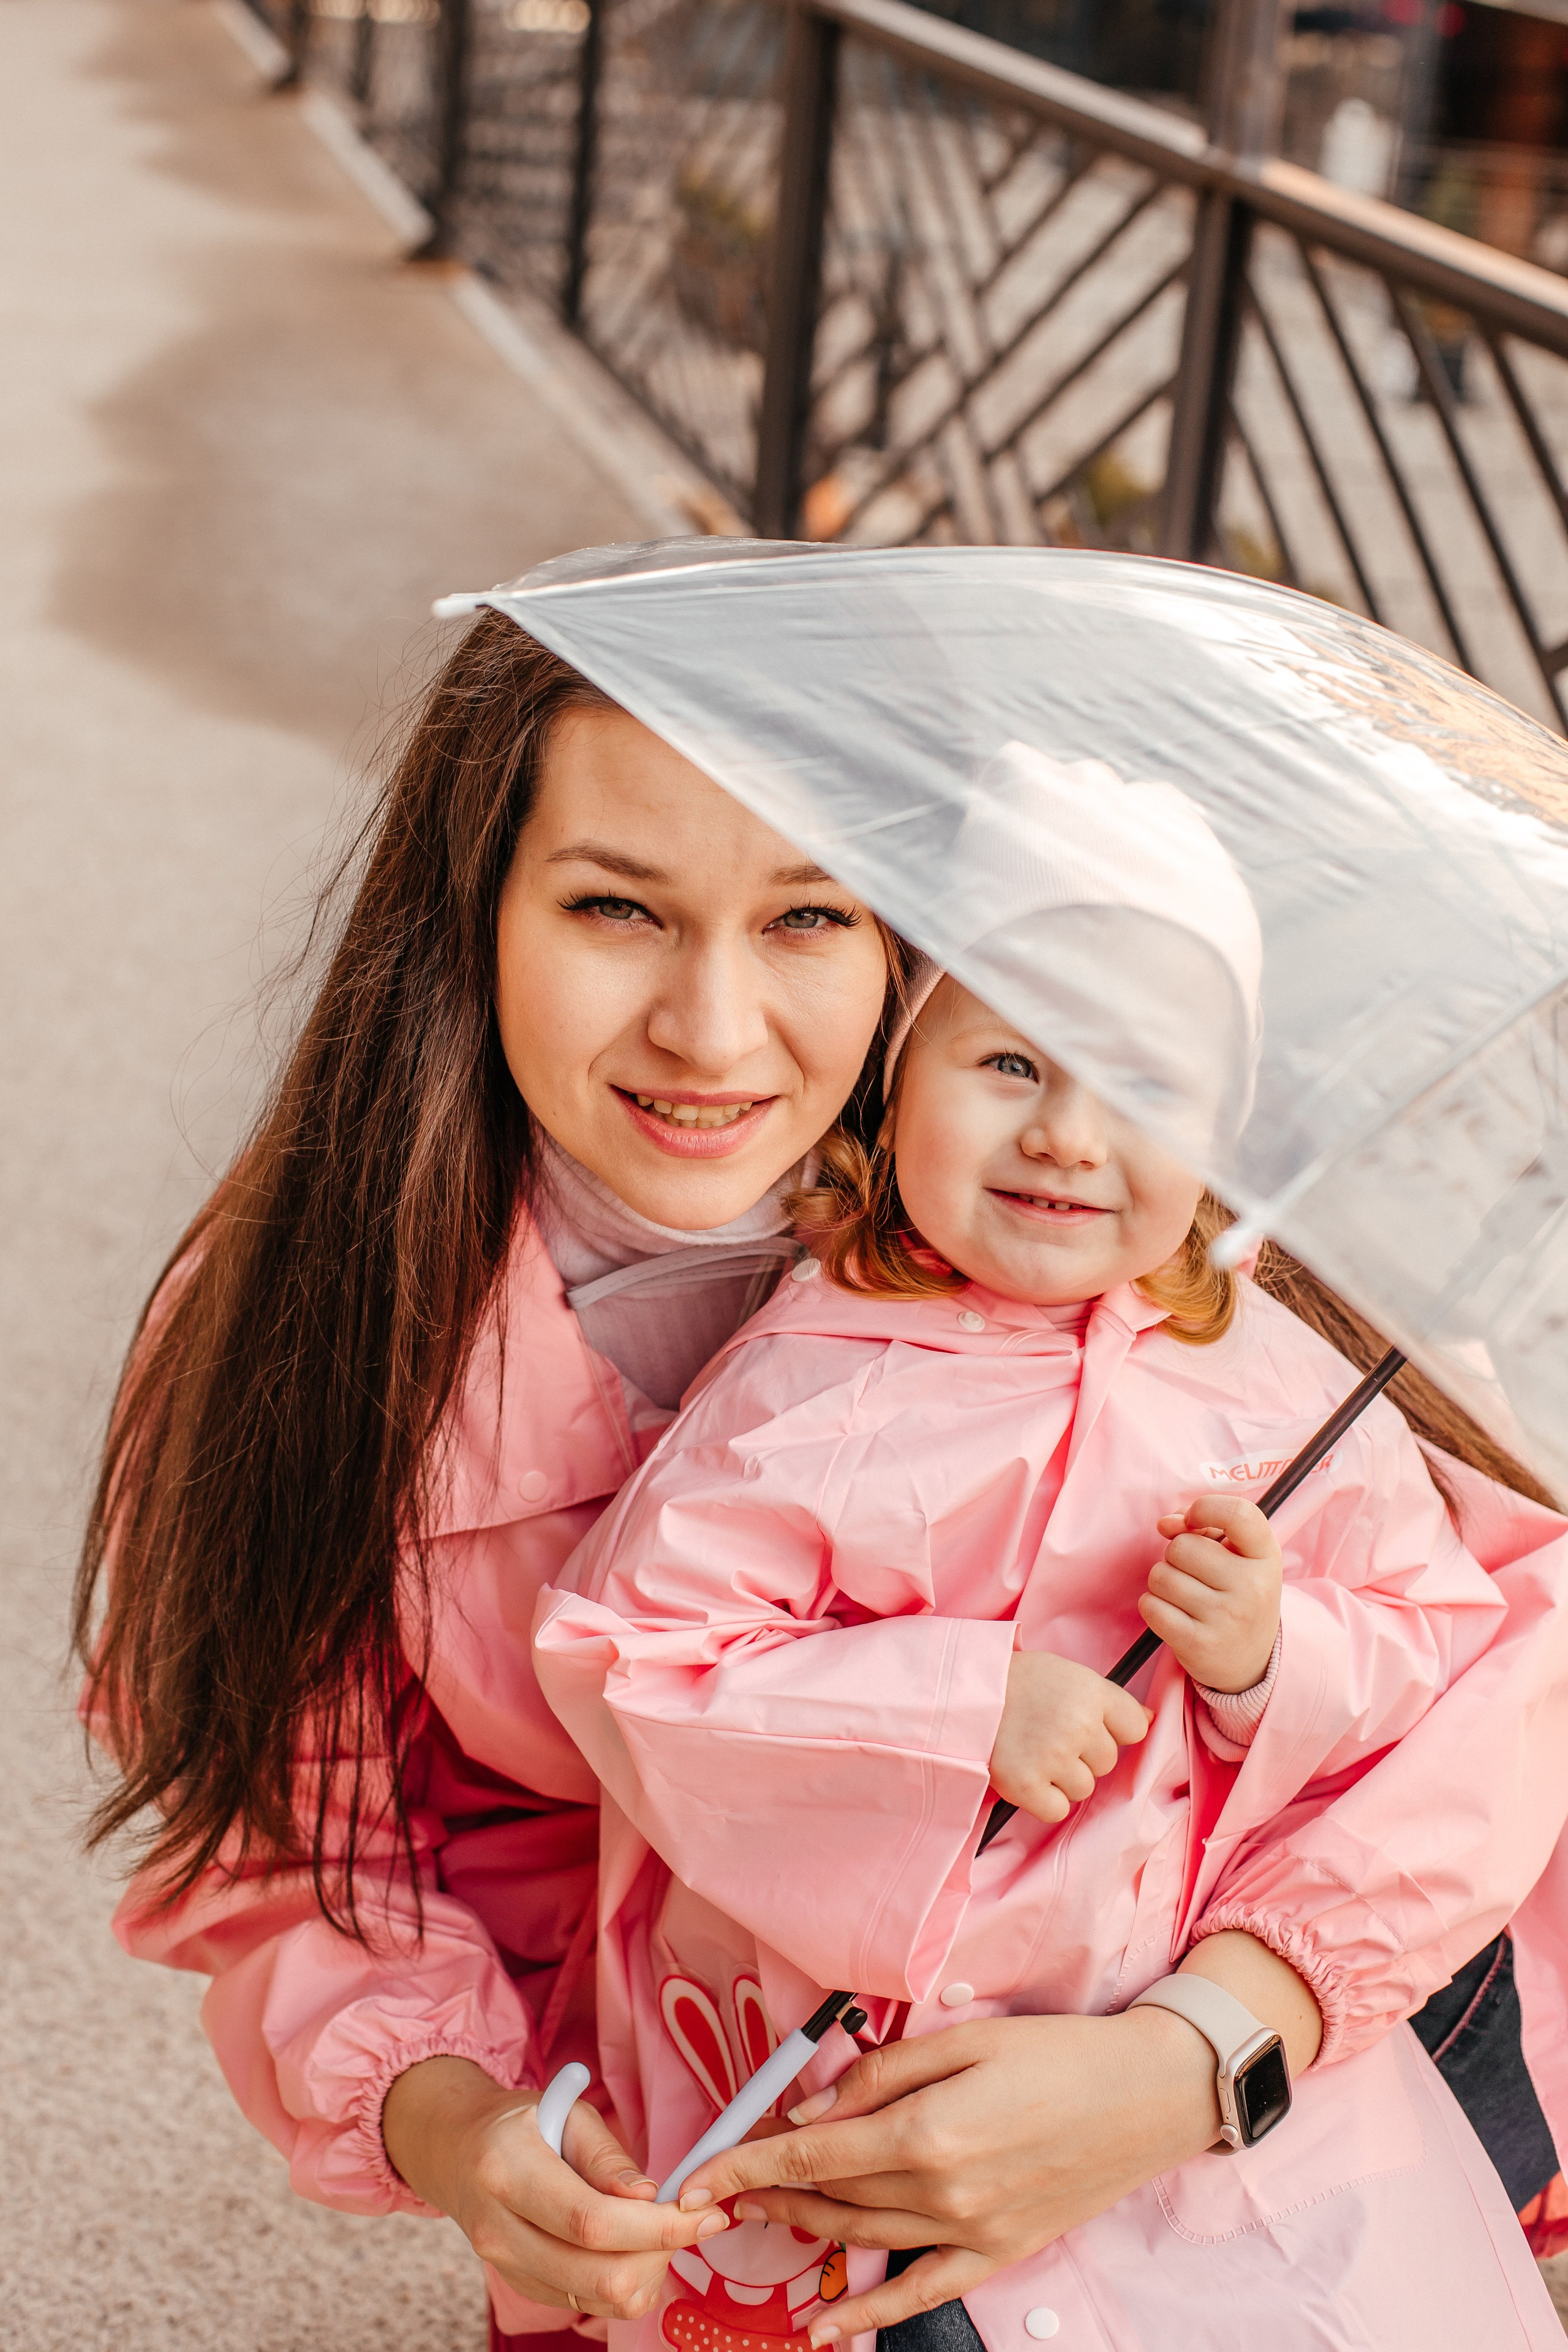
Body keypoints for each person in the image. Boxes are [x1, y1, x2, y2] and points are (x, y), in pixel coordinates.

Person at [75, 584, 1568, 2348]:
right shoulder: (322, 1309)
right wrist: (466, 2127)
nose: (712, 1032)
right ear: (470, 913)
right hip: (741, 2141)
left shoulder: (1109, 1229)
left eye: (809, 914)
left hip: (1260, 2047)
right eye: (615, 909)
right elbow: (286, 1830)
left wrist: (1198, 2059)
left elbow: (1507, 1657)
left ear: (915, 942)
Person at [534, 957, 1564, 2346]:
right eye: (1008, 1064)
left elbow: (1431, 1629)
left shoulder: (1277, 1387)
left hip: (1192, 2048)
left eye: (1143, 1086)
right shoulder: (810, 1379)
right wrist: (957, 1712)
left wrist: (1272, 1660)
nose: (1069, 1135)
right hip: (881, 2083)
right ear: (893, 1086)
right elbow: (635, 1655)